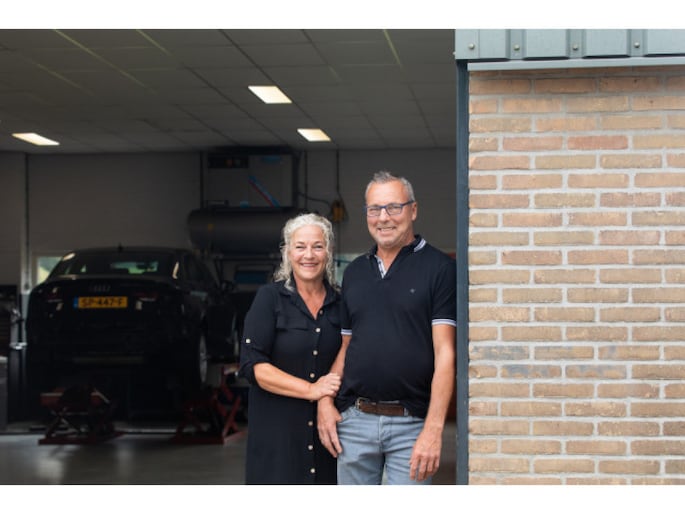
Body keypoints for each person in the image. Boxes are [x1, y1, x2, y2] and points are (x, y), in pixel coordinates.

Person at [317, 170, 456, 485]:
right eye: (374, 209)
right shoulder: (355, 272)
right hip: (354, 422)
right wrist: (325, 400)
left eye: (394, 207)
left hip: (411, 425)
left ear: (413, 210)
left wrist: (434, 429)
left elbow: (445, 353)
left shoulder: (440, 269)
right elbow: (347, 347)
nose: (383, 218)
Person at [238, 212, 342, 484]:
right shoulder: (269, 298)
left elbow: (349, 352)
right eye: (300, 246)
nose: (309, 255)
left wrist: (325, 398)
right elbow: (253, 366)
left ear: (328, 252)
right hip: (277, 439)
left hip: (327, 436)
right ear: (287, 252)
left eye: (317, 246)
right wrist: (312, 390)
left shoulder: (340, 303)